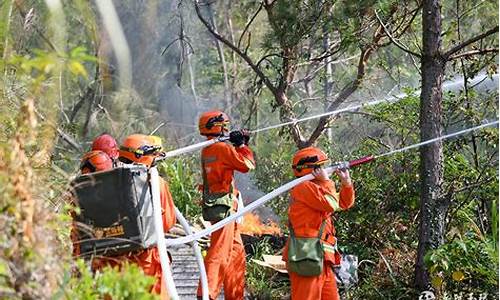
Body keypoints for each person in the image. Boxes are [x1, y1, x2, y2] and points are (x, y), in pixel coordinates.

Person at [91, 134, 176, 299]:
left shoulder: (101, 183)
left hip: (112, 261)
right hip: (146, 260)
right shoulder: (155, 181)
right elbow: (167, 223)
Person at [196, 110, 255, 300]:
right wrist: (241, 145)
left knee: (236, 253)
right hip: (225, 207)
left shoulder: (209, 149)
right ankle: (207, 293)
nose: (227, 129)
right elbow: (247, 165)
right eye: (225, 126)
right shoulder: (221, 148)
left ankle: (234, 295)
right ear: (218, 127)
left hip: (222, 206)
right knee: (219, 251)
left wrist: (238, 145)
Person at [283, 147, 355, 300]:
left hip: (322, 257)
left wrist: (346, 182)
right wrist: (327, 181)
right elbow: (330, 204)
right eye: (320, 167)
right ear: (310, 169)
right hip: (306, 256)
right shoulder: (304, 187)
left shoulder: (318, 187)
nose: (324, 170)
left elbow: (343, 203)